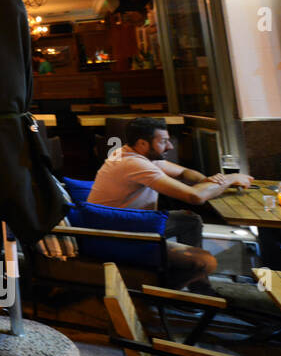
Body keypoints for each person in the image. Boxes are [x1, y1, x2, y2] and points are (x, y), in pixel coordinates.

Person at [88, 117, 250, 291]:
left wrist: (208, 180)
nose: (170, 146)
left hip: (132, 222)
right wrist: (229, 179)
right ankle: (164, 292)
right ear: (142, 143)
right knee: (206, 261)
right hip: (118, 234)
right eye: (164, 141)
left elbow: (184, 172)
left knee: (189, 220)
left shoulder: (133, 153)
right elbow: (194, 197)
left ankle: (200, 290)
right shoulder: (133, 163)